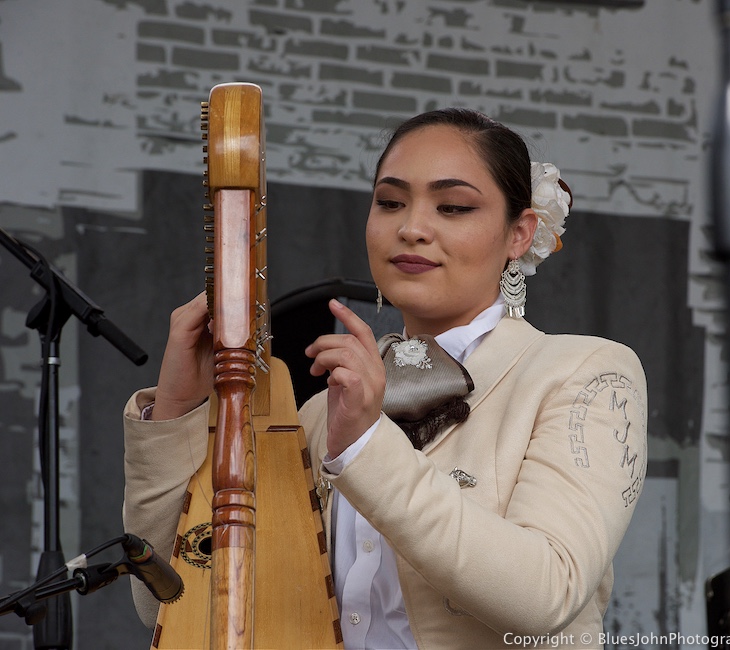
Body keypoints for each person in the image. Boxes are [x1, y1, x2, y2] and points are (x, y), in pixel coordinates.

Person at [122, 108, 647, 649]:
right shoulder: (320, 414)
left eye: (453, 207)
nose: (411, 228)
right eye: (390, 202)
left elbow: (547, 594)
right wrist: (176, 410)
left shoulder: (586, 374)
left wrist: (367, 448)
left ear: (519, 233)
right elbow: (172, 602)